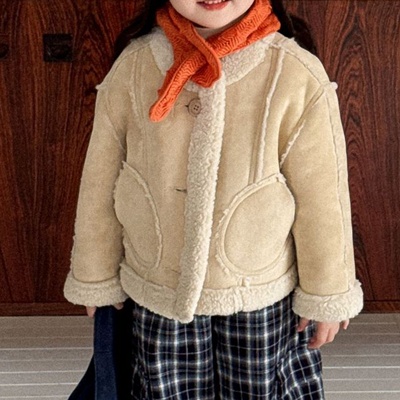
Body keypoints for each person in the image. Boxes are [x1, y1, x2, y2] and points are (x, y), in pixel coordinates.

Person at [64, 0, 364, 398]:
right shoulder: (135, 66)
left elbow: (323, 198)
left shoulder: (294, 71)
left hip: (259, 293)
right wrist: (95, 276)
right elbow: (100, 179)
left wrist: (327, 293)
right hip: (159, 289)